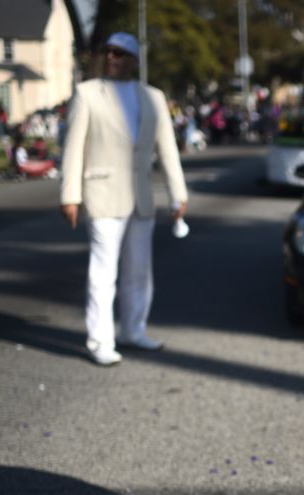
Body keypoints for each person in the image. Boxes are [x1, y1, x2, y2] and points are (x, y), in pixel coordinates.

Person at [59, 32, 188, 366]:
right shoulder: (87, 94)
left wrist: (179, 194)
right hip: (102, 193)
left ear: (134, 59)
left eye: (120, 53)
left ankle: (134, 330)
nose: (112, 58)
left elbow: (167, 149)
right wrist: (70, 195)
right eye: (108, 52)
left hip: (141, 196)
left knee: (140, 271)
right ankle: (100, 340)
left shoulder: (153, 97)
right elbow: (73, 148)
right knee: (103, 273)